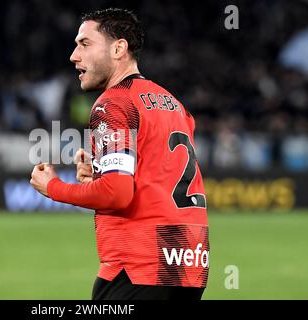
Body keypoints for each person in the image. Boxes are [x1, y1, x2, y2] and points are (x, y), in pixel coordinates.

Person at [30, 8, 209, 300]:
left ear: (118, 48)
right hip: (188, 265)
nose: (74, 55)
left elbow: (118, 193)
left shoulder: (114, 104)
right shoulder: (173, 104)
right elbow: (151, 181)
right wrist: (96, 181)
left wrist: (53, 187)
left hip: (139, 269)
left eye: (85, 44)